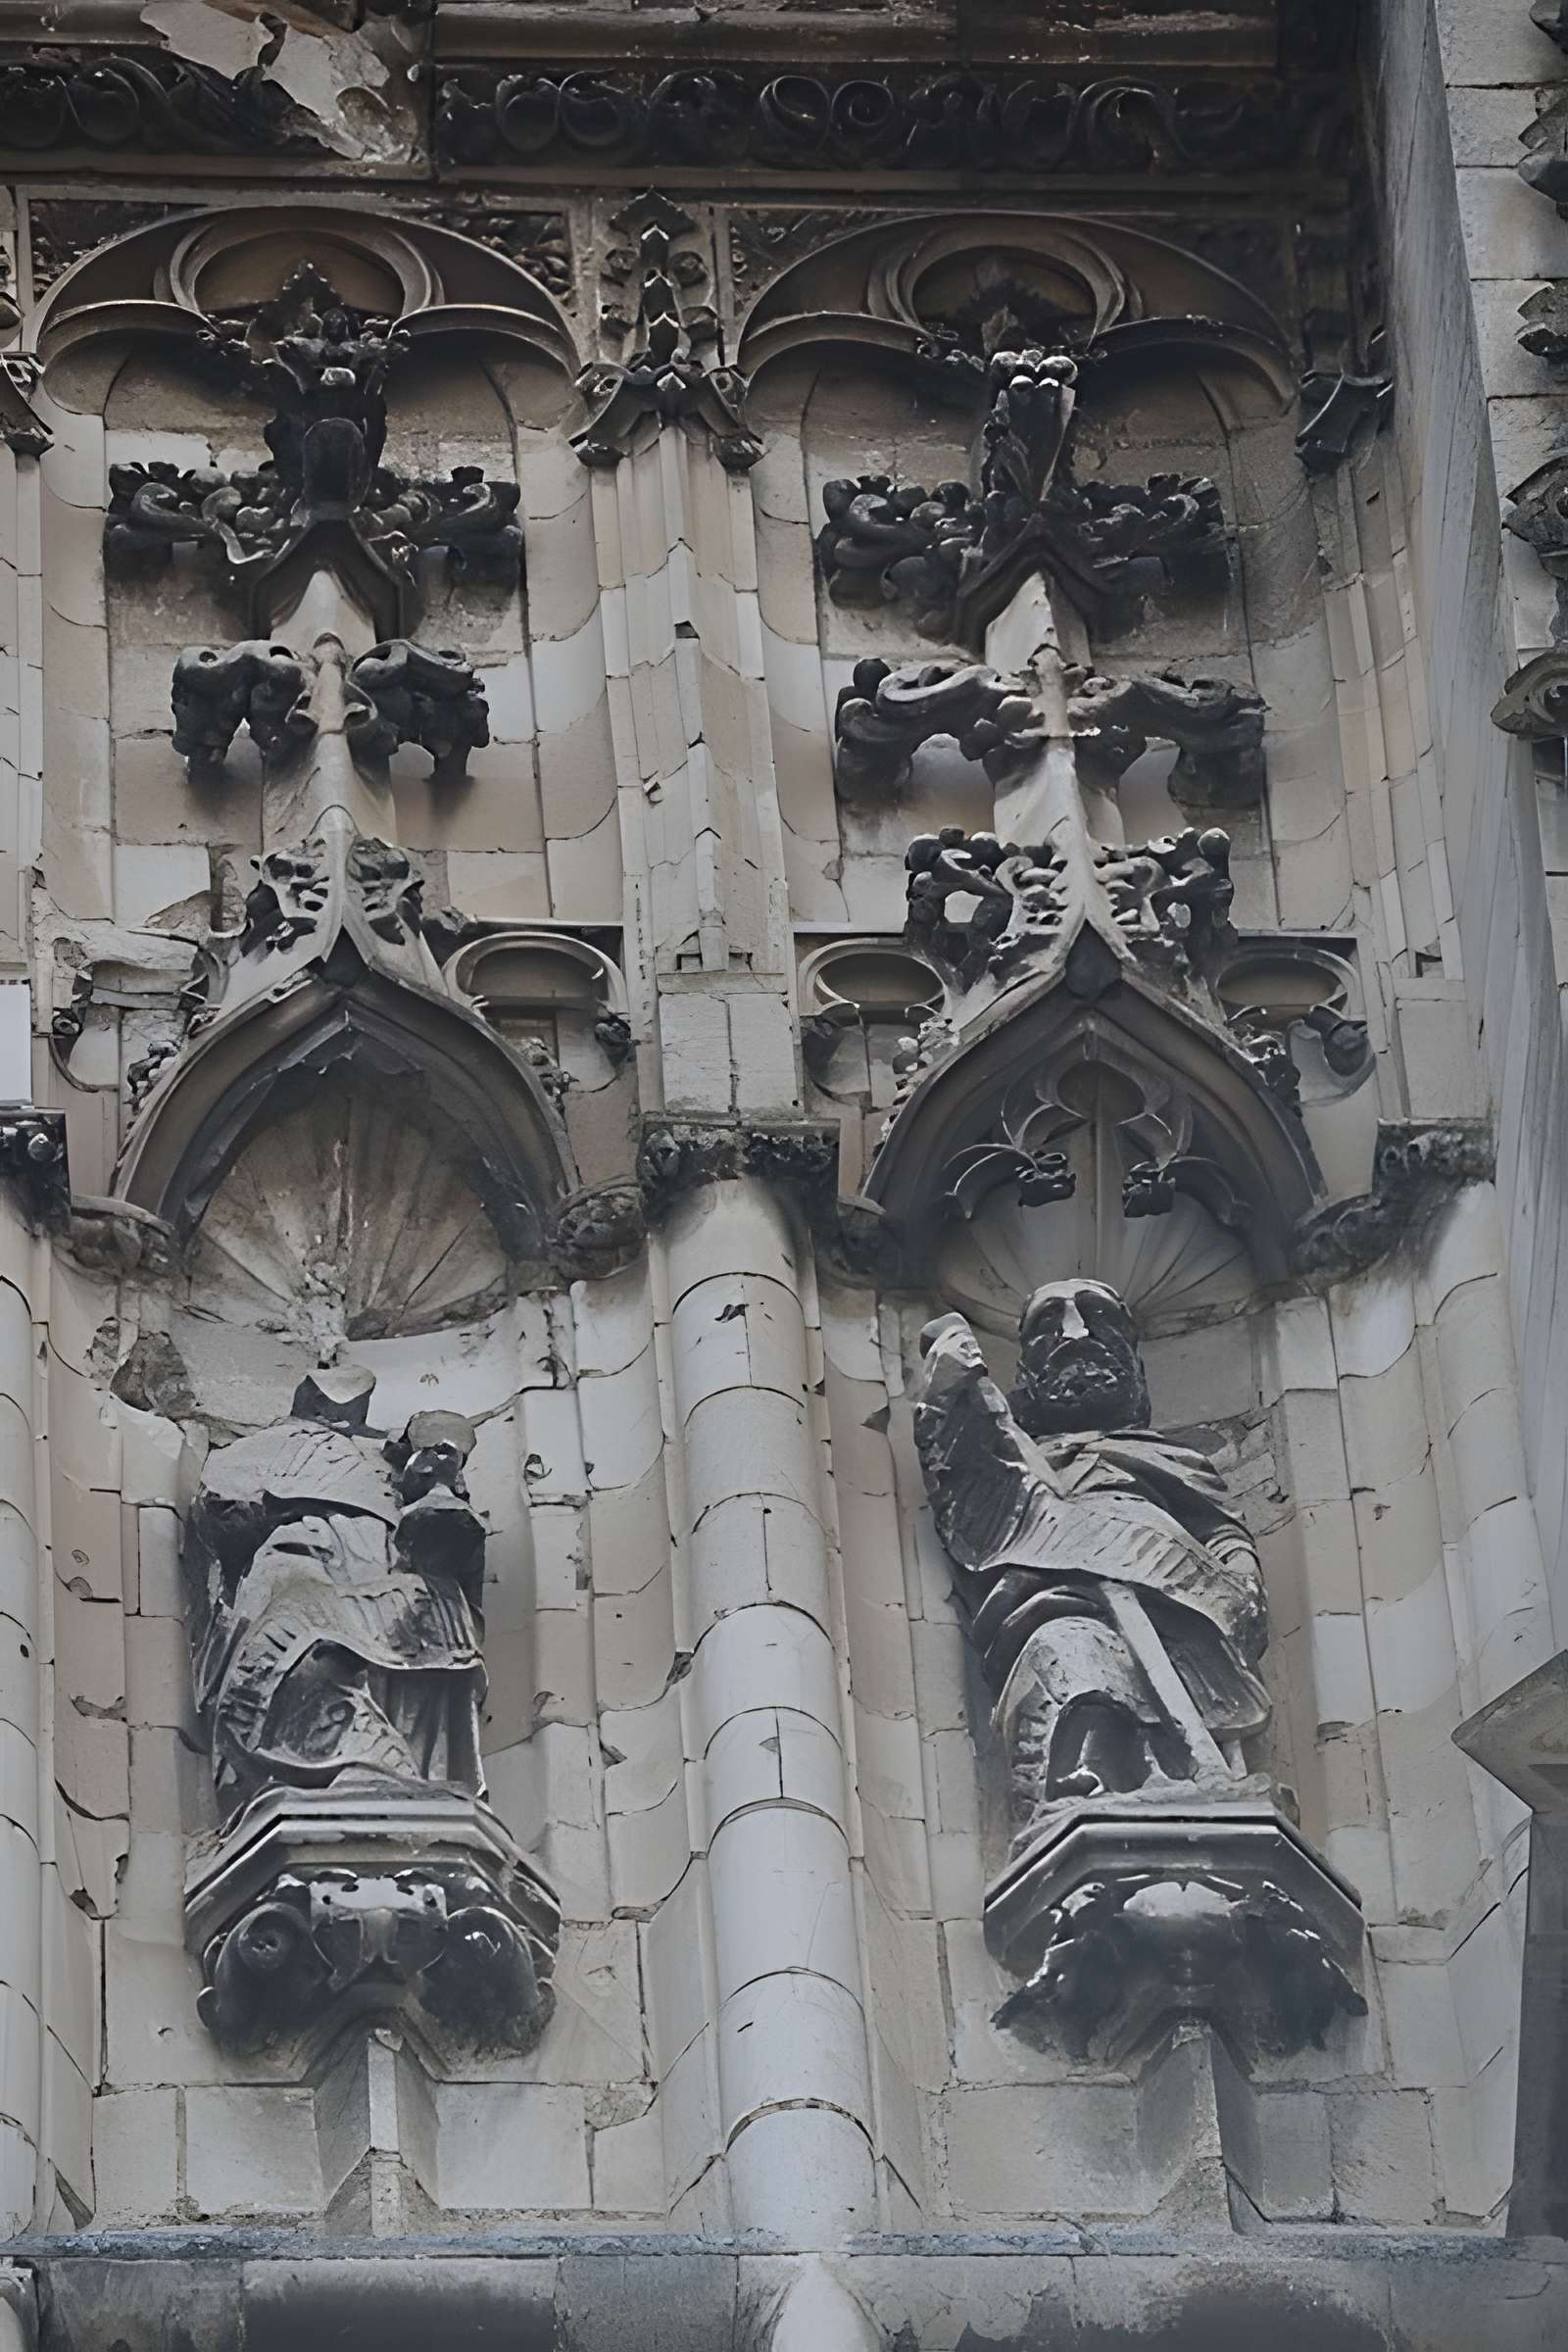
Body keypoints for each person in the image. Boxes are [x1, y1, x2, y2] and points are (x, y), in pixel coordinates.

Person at [912, 1280, 1269, 1848]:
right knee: (1070, 1661)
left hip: (1172, 1610)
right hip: (1066, 1606)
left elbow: (1220, 1534)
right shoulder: (1021, 1469)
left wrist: (1237, 1588)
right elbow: (980, 1511)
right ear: (1027, 1366)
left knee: (1174, 1681)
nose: (1075, 1334)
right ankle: (1088, 1793)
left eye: (1096, 1318)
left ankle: (1185, 1782)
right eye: (1050, 1324)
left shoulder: (1173, 1461)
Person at [183, 1365, 487, 1817]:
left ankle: (400, 1768)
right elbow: (223, 1520)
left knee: (426, 1620)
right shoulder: (257, 1449)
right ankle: (358, 1761)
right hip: (300, 1558)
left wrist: (440, 1460)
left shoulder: (390, 1456)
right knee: (303, 1637)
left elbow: (444, 1528)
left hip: (382, 1568)